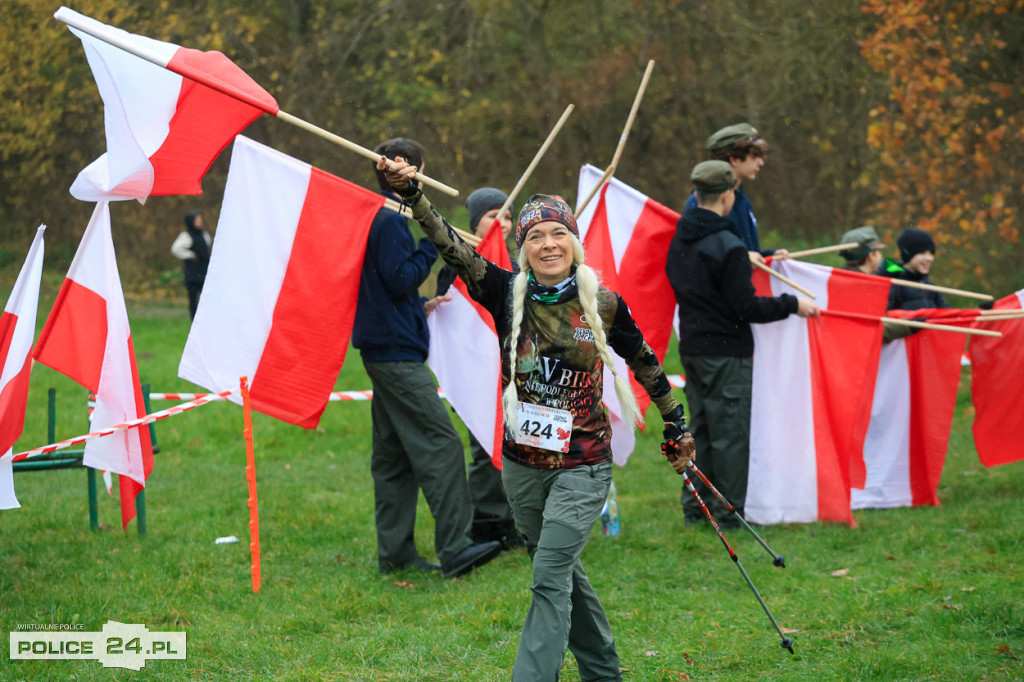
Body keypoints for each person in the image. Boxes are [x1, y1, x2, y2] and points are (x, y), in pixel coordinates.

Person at [378, 156, 695, 682]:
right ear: (522, 246)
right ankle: (603, 672)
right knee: (560, 569)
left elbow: (645, 363)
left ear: (574, 241)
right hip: (522, 468)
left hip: (582, 467)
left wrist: (675, 423)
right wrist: (413, 196)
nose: (548, 244)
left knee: (548, 577)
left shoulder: (603, 304)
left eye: (558, 233)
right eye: (536, 236)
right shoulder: (505, 293)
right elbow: (452, 248)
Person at [351, 138, 502, 579]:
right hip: (395, 354)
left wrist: (419, 307)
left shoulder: (377, 215)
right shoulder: (391, 220)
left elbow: (383, 288)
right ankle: (456, 547)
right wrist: (428, 248)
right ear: (412, 170)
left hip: (384, 345)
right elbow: (400, 278)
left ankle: (395, 554)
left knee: (394, 457)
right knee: (443, 444)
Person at [666, 160, 819, 528]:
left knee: (700, 431)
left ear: (697, 194)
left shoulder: (680, 238)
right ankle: (728, 514)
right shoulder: (728, 245)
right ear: (727, 196)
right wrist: (792, 304)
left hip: (692, 349)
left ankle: (695, 508)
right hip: (726, 354)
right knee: (730, 435)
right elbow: (746, 307)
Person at [437, 187, 524, 549]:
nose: (503, 222)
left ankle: (514, 518)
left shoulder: (519, 266)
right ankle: (488, 524)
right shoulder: (459, 264)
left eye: (508, 216)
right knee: (486, 449)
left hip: (515, 371)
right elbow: (454, 317)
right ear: (475, 222)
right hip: (478, 374)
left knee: (519, 447)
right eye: (493, 215)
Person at [684, 122, 790, 264]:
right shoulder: (703, 202)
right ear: (734, 159)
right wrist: (742, 257)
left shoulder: (742, 199)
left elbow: (748, 250)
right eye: (755, 157)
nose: (761, 163)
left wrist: (770, 256)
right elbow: (699, 259)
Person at [878, 227, 949, 311]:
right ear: (908, 255)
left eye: (931, 253)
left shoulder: (930, 288)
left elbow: (948, 314)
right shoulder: (894, 286)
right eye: (922, 253)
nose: (930, 258)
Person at [170, 209, 211, 320]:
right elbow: (175, 249)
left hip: (204, 272)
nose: (200, 222)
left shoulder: (204, 234)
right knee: (193, 299)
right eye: (197, 220)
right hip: (193, 274)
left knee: (207, 297)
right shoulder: (186, 236)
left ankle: (206, 318)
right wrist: (190, 255)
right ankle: (194, 320)